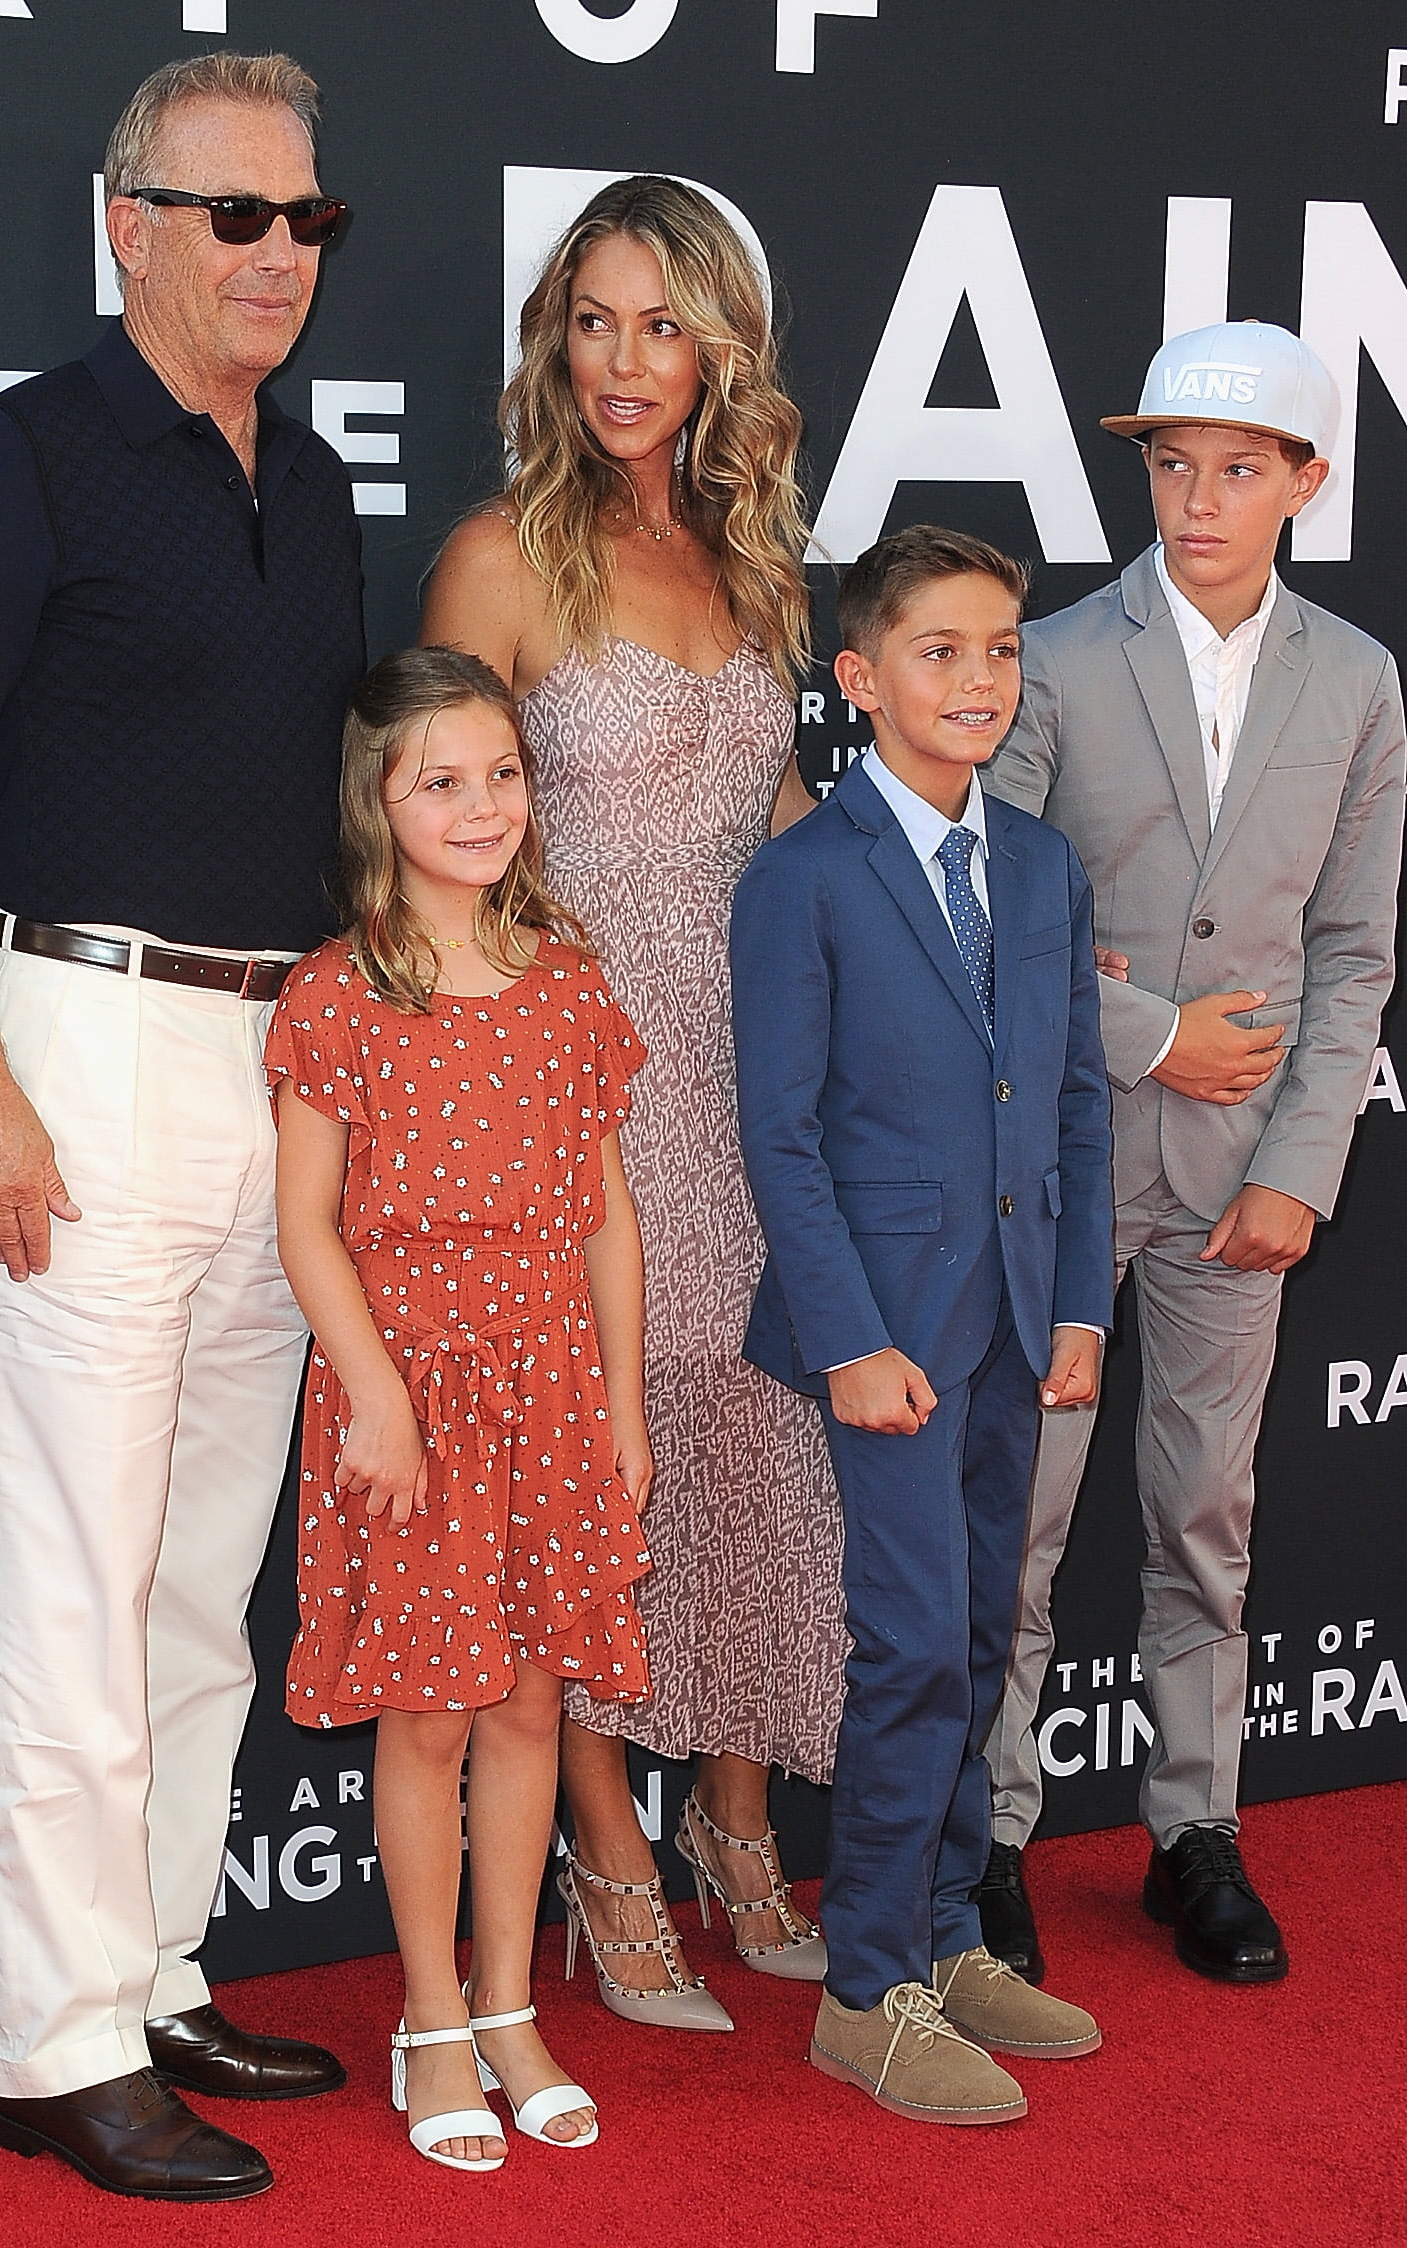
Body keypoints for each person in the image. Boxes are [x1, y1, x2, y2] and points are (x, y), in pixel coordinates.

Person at [0, 54, 362, 2202]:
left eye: (302, 221)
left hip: (270, 1068)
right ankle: (50, 2043)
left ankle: (150, 1966)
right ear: (124, 223)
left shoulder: (313, 478)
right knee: (72, 1579)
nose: (272, 257)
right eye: (227, 214)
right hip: (76, 1037)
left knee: (193, 1588)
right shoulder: (24, 455)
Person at [422, 175, 840, 2033]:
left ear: (719, 349)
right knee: (598, 1469)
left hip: (752, 1068)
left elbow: (779, 832)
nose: (623, 360)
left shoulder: (756, 562)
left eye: (662, 324)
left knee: (757, 1447)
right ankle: (606, 1850)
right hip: (579, 1085)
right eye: (591, 319)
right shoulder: (503, 556)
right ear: (551, 340)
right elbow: (431, 844)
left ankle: (737, 1827)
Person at [978, 323, 1406, 1989]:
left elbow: (1354, 950)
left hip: (1246, 1179)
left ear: (1309, 481)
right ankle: (992, 1832)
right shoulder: (1059, 656)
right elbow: (998, 916)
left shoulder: (1359, 682)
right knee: (1021, 1514)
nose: (1199, 497)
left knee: (1203, 1518)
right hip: (1067, 1162)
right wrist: (1151, 1035)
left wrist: (1302, 1160)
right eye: (1171, 463)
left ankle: (1193, 1829)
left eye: (1239, 467)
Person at [731, 527, 1113, 2124]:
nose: (979, 679)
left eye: (1003, 649)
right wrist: (847, 1336)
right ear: (863, 678)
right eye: (941, 651)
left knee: (974, 1638)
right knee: (907, 1652)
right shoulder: (804, 875)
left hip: (1020, 1322)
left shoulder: (1039, 864)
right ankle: (866, 1985)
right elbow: (783, 1132)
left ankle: (951, 1936)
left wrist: (1082, 1299)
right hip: (882, 1334)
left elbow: (1077, 1100)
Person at [266, 647, 653, 2170]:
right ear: (380, 800)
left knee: (530, 1702)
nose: (480, 804)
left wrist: (621, 1404)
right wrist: (374, 1397)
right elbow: (308, 1225)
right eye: (441, 780)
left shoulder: (570, 983)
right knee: (426, 1713)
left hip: (553, 1392)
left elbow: (609, 1217)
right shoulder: (336, 991)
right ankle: (428, 2016)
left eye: (503, 773)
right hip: (407, 1397)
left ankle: (509, 2006)